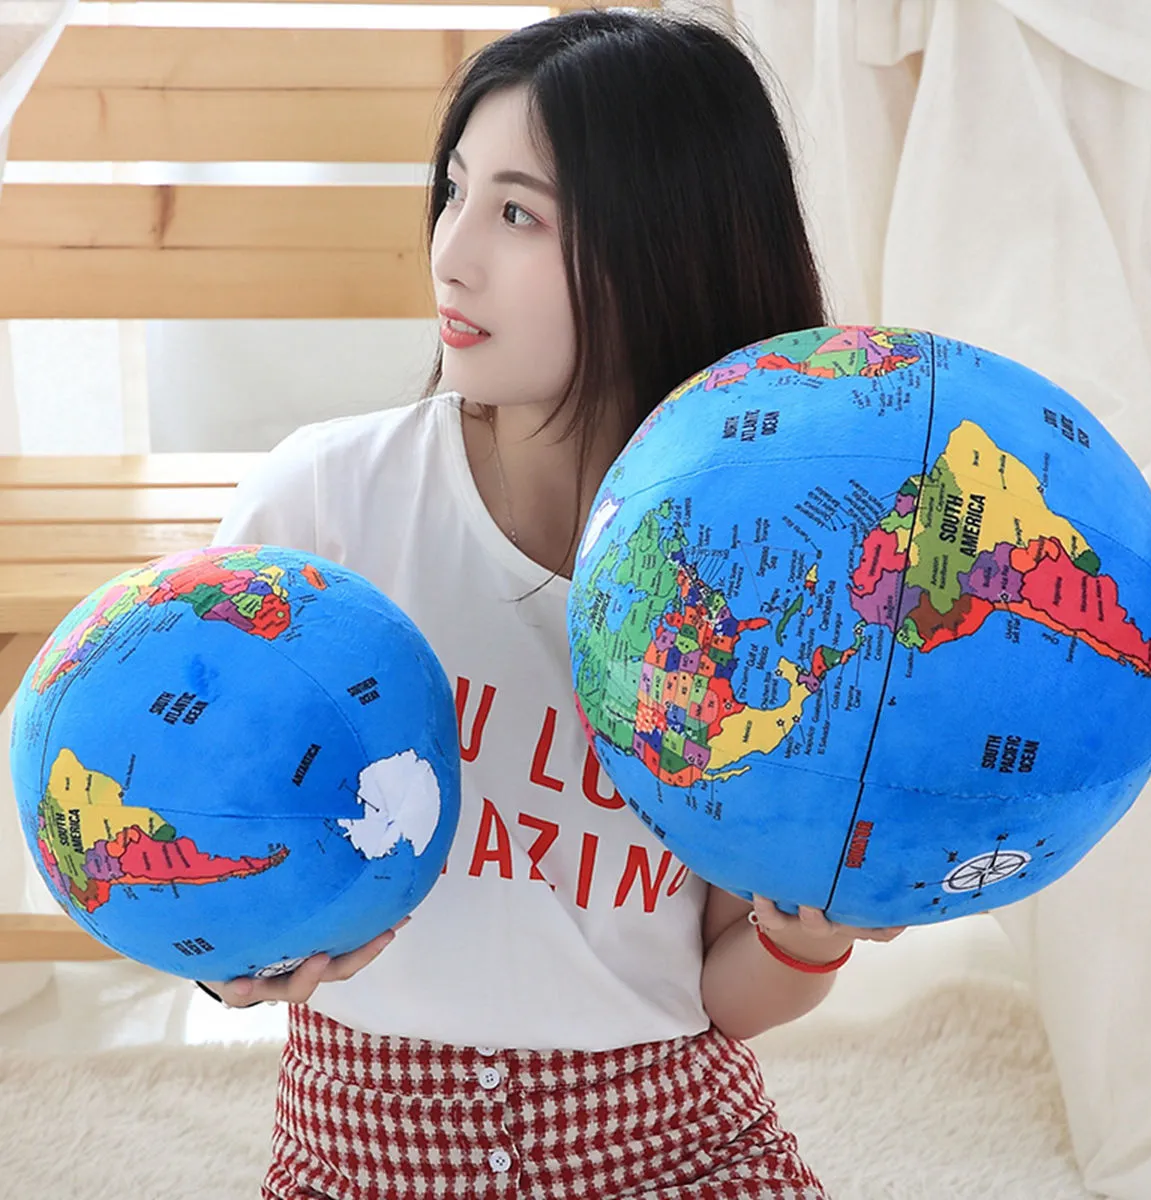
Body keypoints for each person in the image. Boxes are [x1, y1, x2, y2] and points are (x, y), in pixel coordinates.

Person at [199, 9, 903, 1198]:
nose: (452, 253)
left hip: (671, 1142)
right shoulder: (325, 505)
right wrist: (228, 959)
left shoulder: (767, 573)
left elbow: (724, 994)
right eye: (455, 192)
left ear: (665, 249)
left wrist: (813, 927)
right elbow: (204, 838)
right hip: (365, 1152)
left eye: (518, 213)